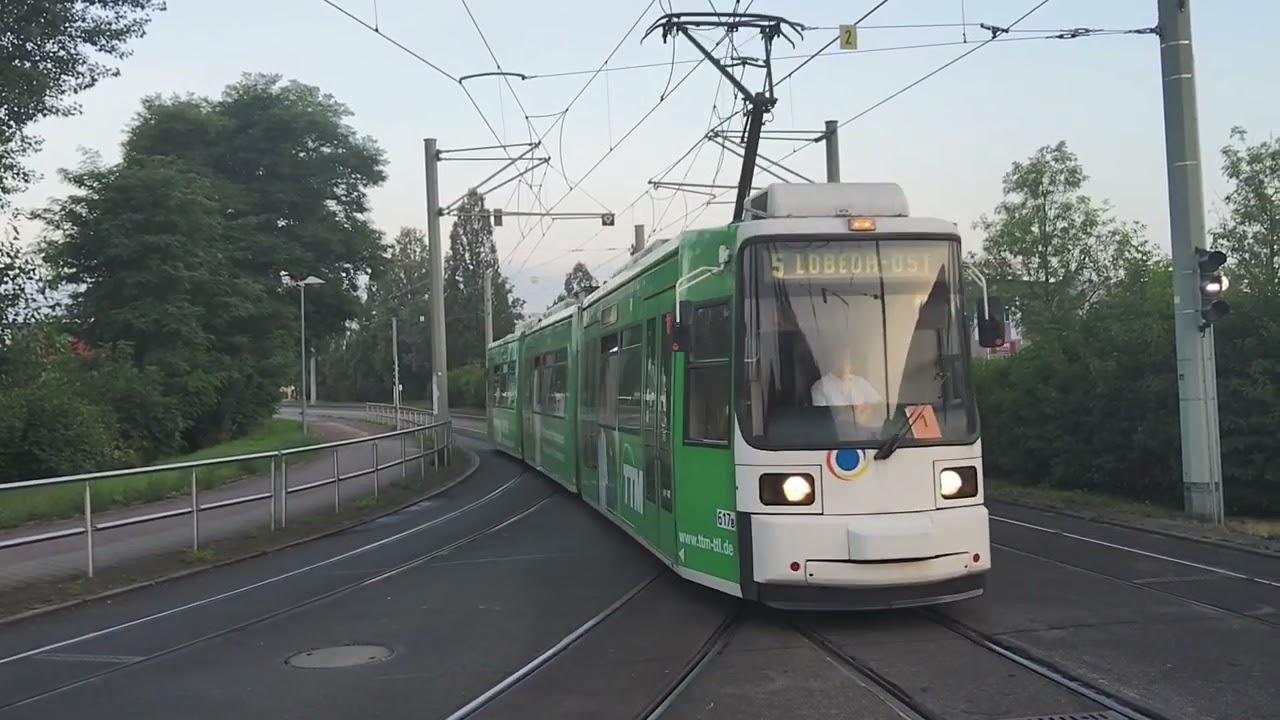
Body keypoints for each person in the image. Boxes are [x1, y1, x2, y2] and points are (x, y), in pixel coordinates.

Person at [810, 355, 883, 425]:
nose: (844, 363)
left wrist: (865, 412)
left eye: (848, 360)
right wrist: (849, 415)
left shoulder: (860, 382)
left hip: (864, 431)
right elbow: (822, 419)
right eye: (841, 359)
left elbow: (878, 405)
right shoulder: (821, 386)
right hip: (838, 434)